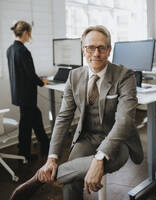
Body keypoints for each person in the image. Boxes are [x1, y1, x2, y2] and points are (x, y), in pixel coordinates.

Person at [10, 25, 143, 200]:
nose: (96, 53)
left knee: (73, 173)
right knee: (71, 181)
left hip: (118, 141)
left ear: (109, 50)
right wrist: (51, 158)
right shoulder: (74, 76)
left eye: (101, 48)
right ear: (83, 50)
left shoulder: (125, 76)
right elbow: (64, 117)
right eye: (90, 48)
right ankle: (51, 170)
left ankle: (41, 178)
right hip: (87, 138)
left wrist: (98, 159)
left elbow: (124, 121)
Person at [7, 21, 50, 161]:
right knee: (28, 122)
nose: (30, 36)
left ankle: (42, 145)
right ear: (25, 33)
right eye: (29, 33)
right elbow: (30, 74)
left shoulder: (10, 49)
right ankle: (28, 152)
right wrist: (41, 82)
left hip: (18, 93)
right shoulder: (23, 51)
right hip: (26, 94)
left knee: (32, 119)